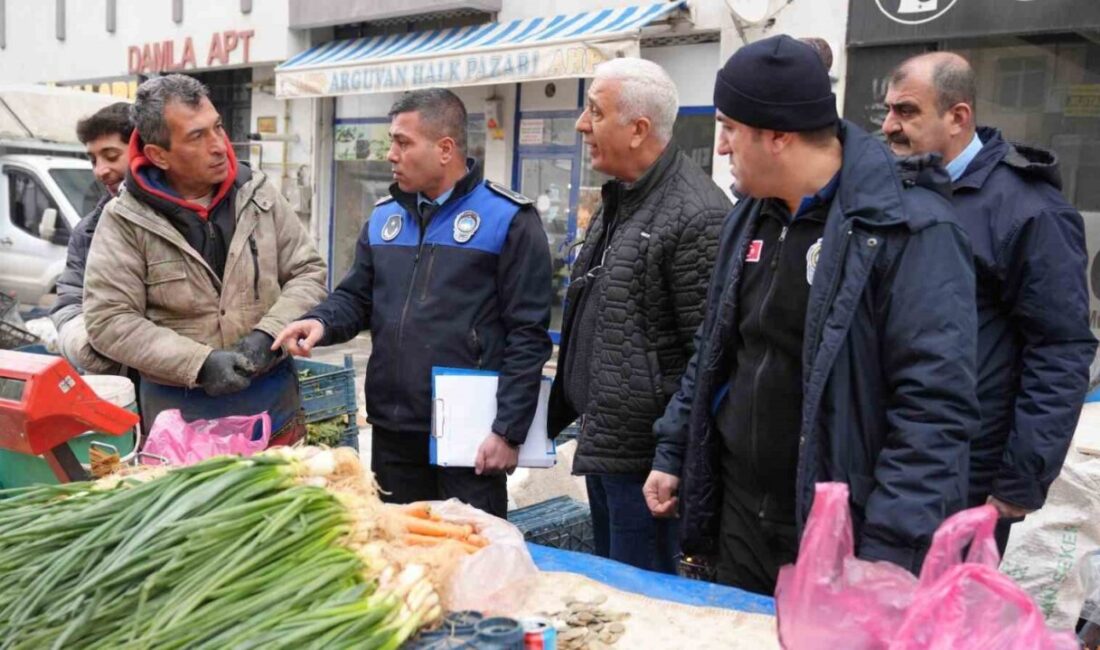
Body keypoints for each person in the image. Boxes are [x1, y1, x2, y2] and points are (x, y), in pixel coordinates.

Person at [645, 35, 980, 595]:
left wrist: (890, 551)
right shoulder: (748, 217)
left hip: (843, 532)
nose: (721, 147)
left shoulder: (910, 229)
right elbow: (715, 346)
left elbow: (933, 408)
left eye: (730, 128)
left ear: (777, 136)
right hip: (740, 515)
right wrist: (674, 449)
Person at [273, 88, 552, 518]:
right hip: (393, 430)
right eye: (391, 141)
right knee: (399, 554)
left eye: (403, 142)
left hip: (469, 437)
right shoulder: (384, 218)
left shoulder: (508, 219)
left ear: (445, 149)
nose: (391, 154)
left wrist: (508, 431)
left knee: (469, 560)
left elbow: (528, 336)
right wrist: (321, 322)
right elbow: (356, 297)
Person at [883, 52, 1097, 553]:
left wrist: (1019, 480)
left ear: (958, 117)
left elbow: (1060, 350)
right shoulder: (897, 192)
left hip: (966, 473)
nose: (890, 126)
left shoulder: (1029, 212)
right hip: (894, 454)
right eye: (888, 111)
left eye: (907, 112)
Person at [547, 58, 730, 574]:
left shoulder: (697, 214)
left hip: (647, 470)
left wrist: (670, 458)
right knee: (612, 587)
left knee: (639, 595)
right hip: (607, 446)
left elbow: (708, 355)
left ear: (638, 129)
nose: (582, 125)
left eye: (594, 111)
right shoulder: (620, 198)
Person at [84, 74, 327, 443]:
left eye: (218, 127)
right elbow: (109, 320)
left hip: (272, 402)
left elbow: (308, 272)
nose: (219, 146)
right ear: (158, 155)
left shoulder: (257, 194)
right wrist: (199, 363)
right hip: (181, 418)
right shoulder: (124, 219)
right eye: (197, 136)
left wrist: (269, 333)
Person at [50, 102, 132, 374]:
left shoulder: (183, 217)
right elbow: (69, 303)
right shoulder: (87, 231)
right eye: (94, 159)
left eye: (111, 156)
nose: (100, 170)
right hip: (116, 385)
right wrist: (85, 344)